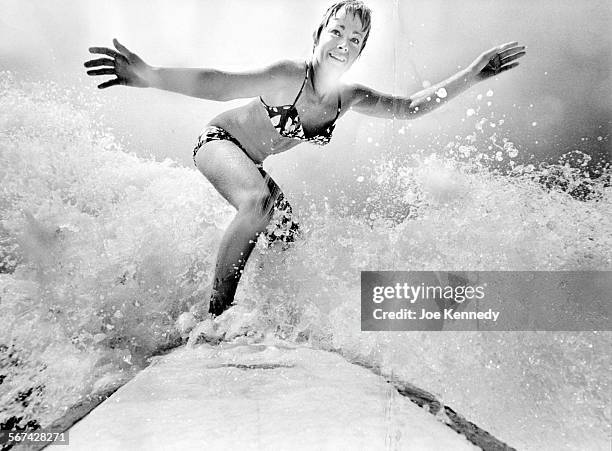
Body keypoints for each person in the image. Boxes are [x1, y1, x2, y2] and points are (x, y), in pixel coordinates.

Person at [85, 1, 525, 318]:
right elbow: (218, 83)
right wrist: (150, 76)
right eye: (336, 31)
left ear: (360, 51)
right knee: (257, 203)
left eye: (355, 39)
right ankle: (215, 314)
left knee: (290, 240)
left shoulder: (348, 98)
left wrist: (474, 73)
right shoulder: (289, 76)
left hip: (253, 163)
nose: (343, 43)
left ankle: (263, 313)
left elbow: (409, 108)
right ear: (318, 36)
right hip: (218, 142)